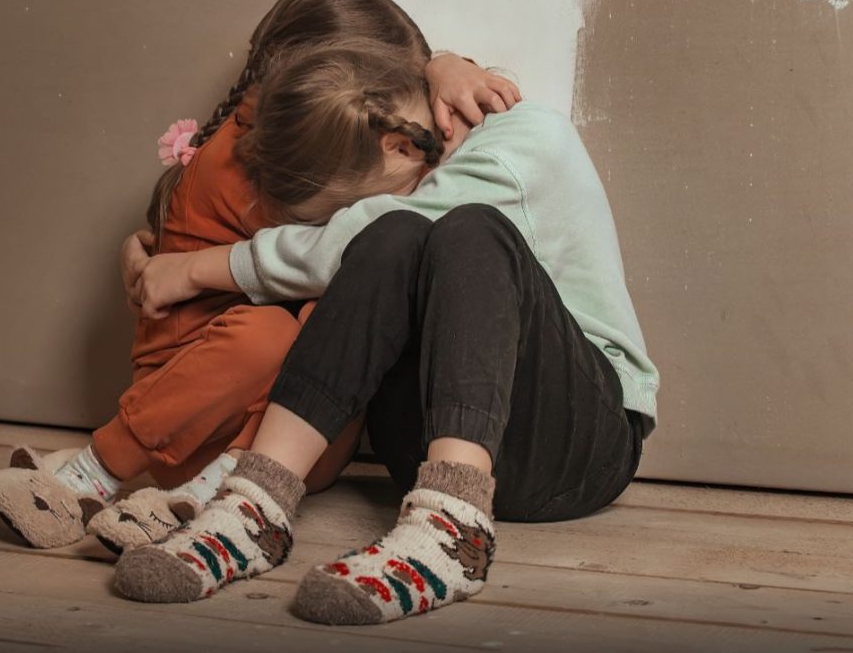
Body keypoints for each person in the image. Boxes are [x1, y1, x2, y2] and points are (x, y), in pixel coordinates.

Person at [112, 40, 657, 626]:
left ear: (400, 145)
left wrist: (194, 269)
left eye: (347, 205)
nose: (341, 220)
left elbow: (339, 245)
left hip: (578, 447)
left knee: (466, 231)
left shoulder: (525, 142)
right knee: (392, 235)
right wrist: (440, 62)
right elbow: (379, 92)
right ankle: (256, 507)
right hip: (421, 447)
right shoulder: (414, 123)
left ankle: (453, 533)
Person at [0, 0, 519, 555]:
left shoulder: (329, 146)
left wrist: (444, 65)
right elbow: (336, 249)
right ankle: (99, 468)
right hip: (186, 411)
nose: (396, 102)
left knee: (336, 312)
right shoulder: (257, 163)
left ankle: (214, 490)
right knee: (276, 325)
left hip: (289, 446)